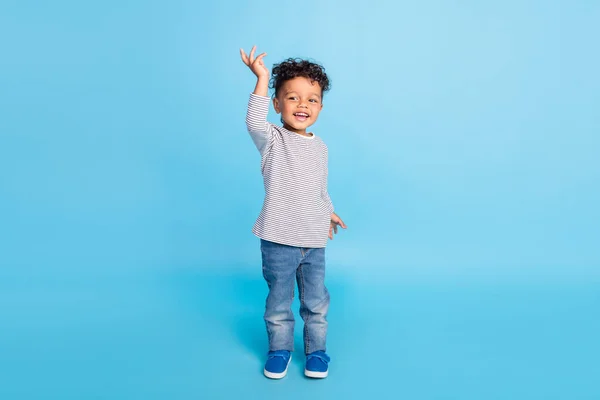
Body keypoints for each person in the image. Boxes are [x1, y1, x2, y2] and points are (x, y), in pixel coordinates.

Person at [240, 45, 347, 379]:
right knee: (279, 303)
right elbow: (253, 121)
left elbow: (318, 187)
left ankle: (317, 353)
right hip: (278, 240)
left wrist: (328, 211)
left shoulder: (321, 146)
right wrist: (261, 78)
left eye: (311, 99)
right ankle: (280, 349)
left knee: (316, 303)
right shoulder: (272, 138)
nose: (303, 105)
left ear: (321, 107)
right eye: (293, 98)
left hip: (313, 241)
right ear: (277, 104)